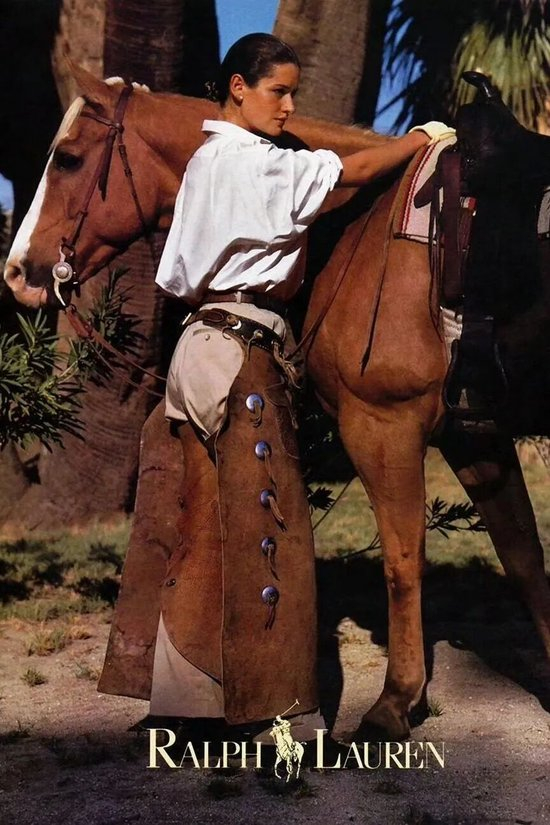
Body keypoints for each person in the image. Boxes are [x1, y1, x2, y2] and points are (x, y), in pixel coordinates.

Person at [145, 32, 453, 742]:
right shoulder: (262, 165)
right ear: (238, 87)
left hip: (194, 345)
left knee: (202, 530)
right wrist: (420, 140)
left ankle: (189, 701)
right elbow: (357, 168)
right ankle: (279, 716)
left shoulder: (204, 161)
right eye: (278, 91)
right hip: (242, 350)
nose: (288, 107)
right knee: (270, 535)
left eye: (294, 93)